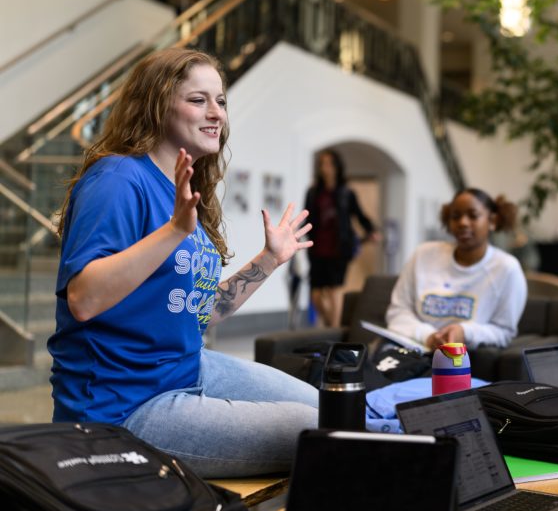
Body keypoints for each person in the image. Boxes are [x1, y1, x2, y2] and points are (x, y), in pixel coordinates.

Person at [48, 48, 318, 478]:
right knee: (318, 429)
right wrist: (173, 230)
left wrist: (269, 260)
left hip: (188, 367)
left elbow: (199, 312)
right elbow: (83, 299)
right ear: (156, 105)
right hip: (123, 407)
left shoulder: (181, 188)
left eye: (221, 101)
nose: (217, 114)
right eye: (198, 100)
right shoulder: (118, 179)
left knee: (331, 406)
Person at [385, 188, 527, 350]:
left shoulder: (506, 268)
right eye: (455, 216)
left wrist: (464, 332)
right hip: (410, 352)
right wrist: (428, 336)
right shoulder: (423, 255)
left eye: (473, 215)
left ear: (492, 221)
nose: (463, 223)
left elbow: (504, 331)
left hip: (462, 360)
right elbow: (397, 313)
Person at [304, 150, 379, 328]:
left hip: (339, 249)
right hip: (317, 248)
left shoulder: (347, 193)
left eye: (329, 164)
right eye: (322, 164)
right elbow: (307, 218)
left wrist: (371, 230)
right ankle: (333, 327)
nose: (325, 168)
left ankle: (334, 331)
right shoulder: (313, 192)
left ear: (337, 167)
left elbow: (359, 215)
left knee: (334, 291)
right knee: (315, 295)